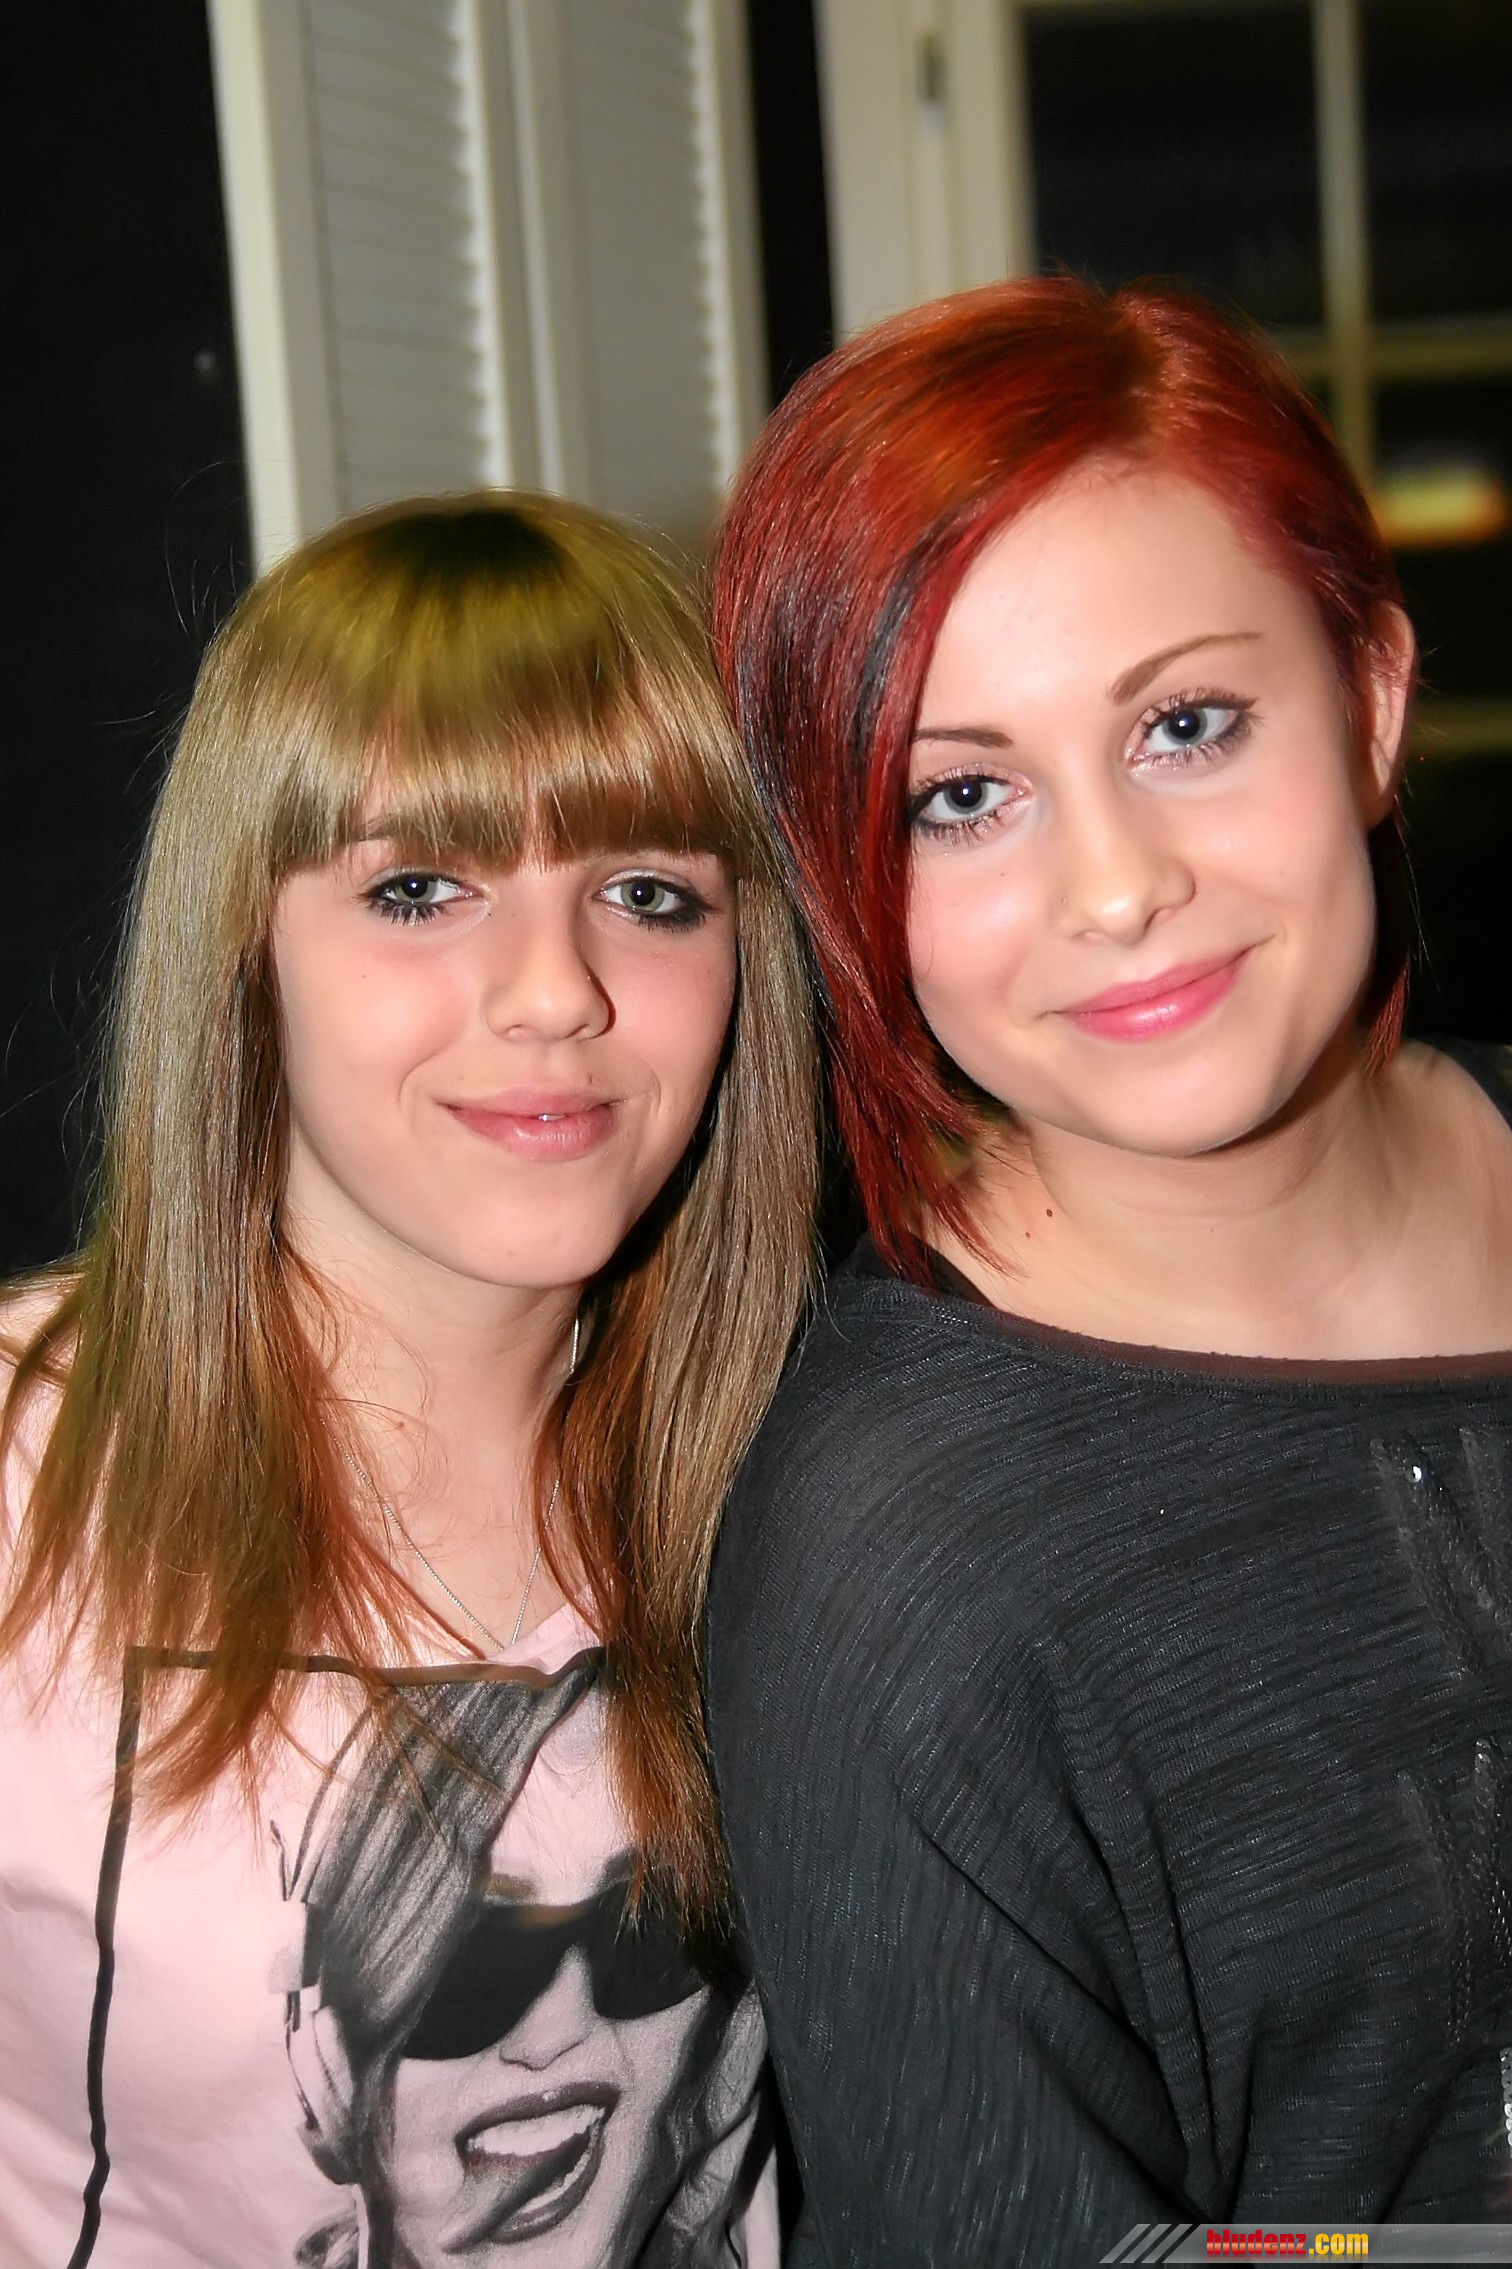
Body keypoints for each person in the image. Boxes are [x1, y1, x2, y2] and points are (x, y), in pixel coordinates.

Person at [704, 277, 1512, 2261]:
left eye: (1186, 725)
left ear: (1372, 700)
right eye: (962, 795)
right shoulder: (892, 1554)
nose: (1118, 884)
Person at [0, 493, 815, 2266]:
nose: (554, 993)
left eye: (648, 893)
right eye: (419, 889)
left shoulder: (822, 1476)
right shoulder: (18, 1471)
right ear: (249, 945)